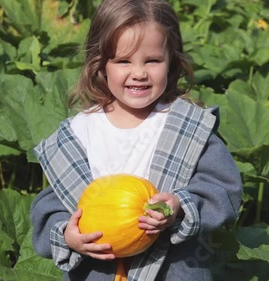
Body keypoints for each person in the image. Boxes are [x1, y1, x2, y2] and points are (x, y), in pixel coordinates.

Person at [30, 0, 242, 280]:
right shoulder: (80, 132)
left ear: (171, 62)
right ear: (101, 65)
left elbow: (223, 188)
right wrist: (67, 234)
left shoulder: (186, 126)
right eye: (123, 61)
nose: (139, 73)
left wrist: (179, 205)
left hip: (172, 268)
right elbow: (49, 206)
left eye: (152, 60)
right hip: (97, 270)